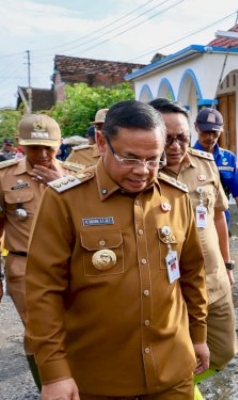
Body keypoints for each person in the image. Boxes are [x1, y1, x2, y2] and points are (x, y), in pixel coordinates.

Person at [25, 100, 210, 399]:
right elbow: (43, 292)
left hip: (172, 373)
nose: (142, 170)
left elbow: (191, 274)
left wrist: (198, 336)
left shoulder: (176, 198)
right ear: (101, 142)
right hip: (99, 380)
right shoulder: (65, 201)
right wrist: (54, 373)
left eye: (153, 159)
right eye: (130, 158)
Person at [150, 98, 238, 399]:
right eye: (167, 139)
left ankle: (182, 387)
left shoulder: (206, 164)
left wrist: (227, 265)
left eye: (182, 138)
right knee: (176, 353)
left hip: (213, 280)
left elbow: (218, 218)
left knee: (224, 351)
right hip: (169, 288)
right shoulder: (141, 176)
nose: (175, 146)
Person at [0, 114, 83, 391]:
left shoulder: (76, 175)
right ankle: (49, 388)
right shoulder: (5, 176)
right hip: (24, 267)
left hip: (71, 265)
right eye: (35, 147)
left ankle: (81, 384)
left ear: (60, 144)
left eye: (49, 147)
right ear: (22, 146)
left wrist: (62, 184)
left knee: (77, 328)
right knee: (39, 332)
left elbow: (90, 219)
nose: (43, 154)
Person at [192, 107, 238, 256]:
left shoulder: (229, 159)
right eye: (205, 131)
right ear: (196, 127)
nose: (209, 137)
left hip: (220, 223)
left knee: (222, 266)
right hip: (193, 226)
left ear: (221, 130)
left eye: (214, 132)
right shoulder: (187, 158)